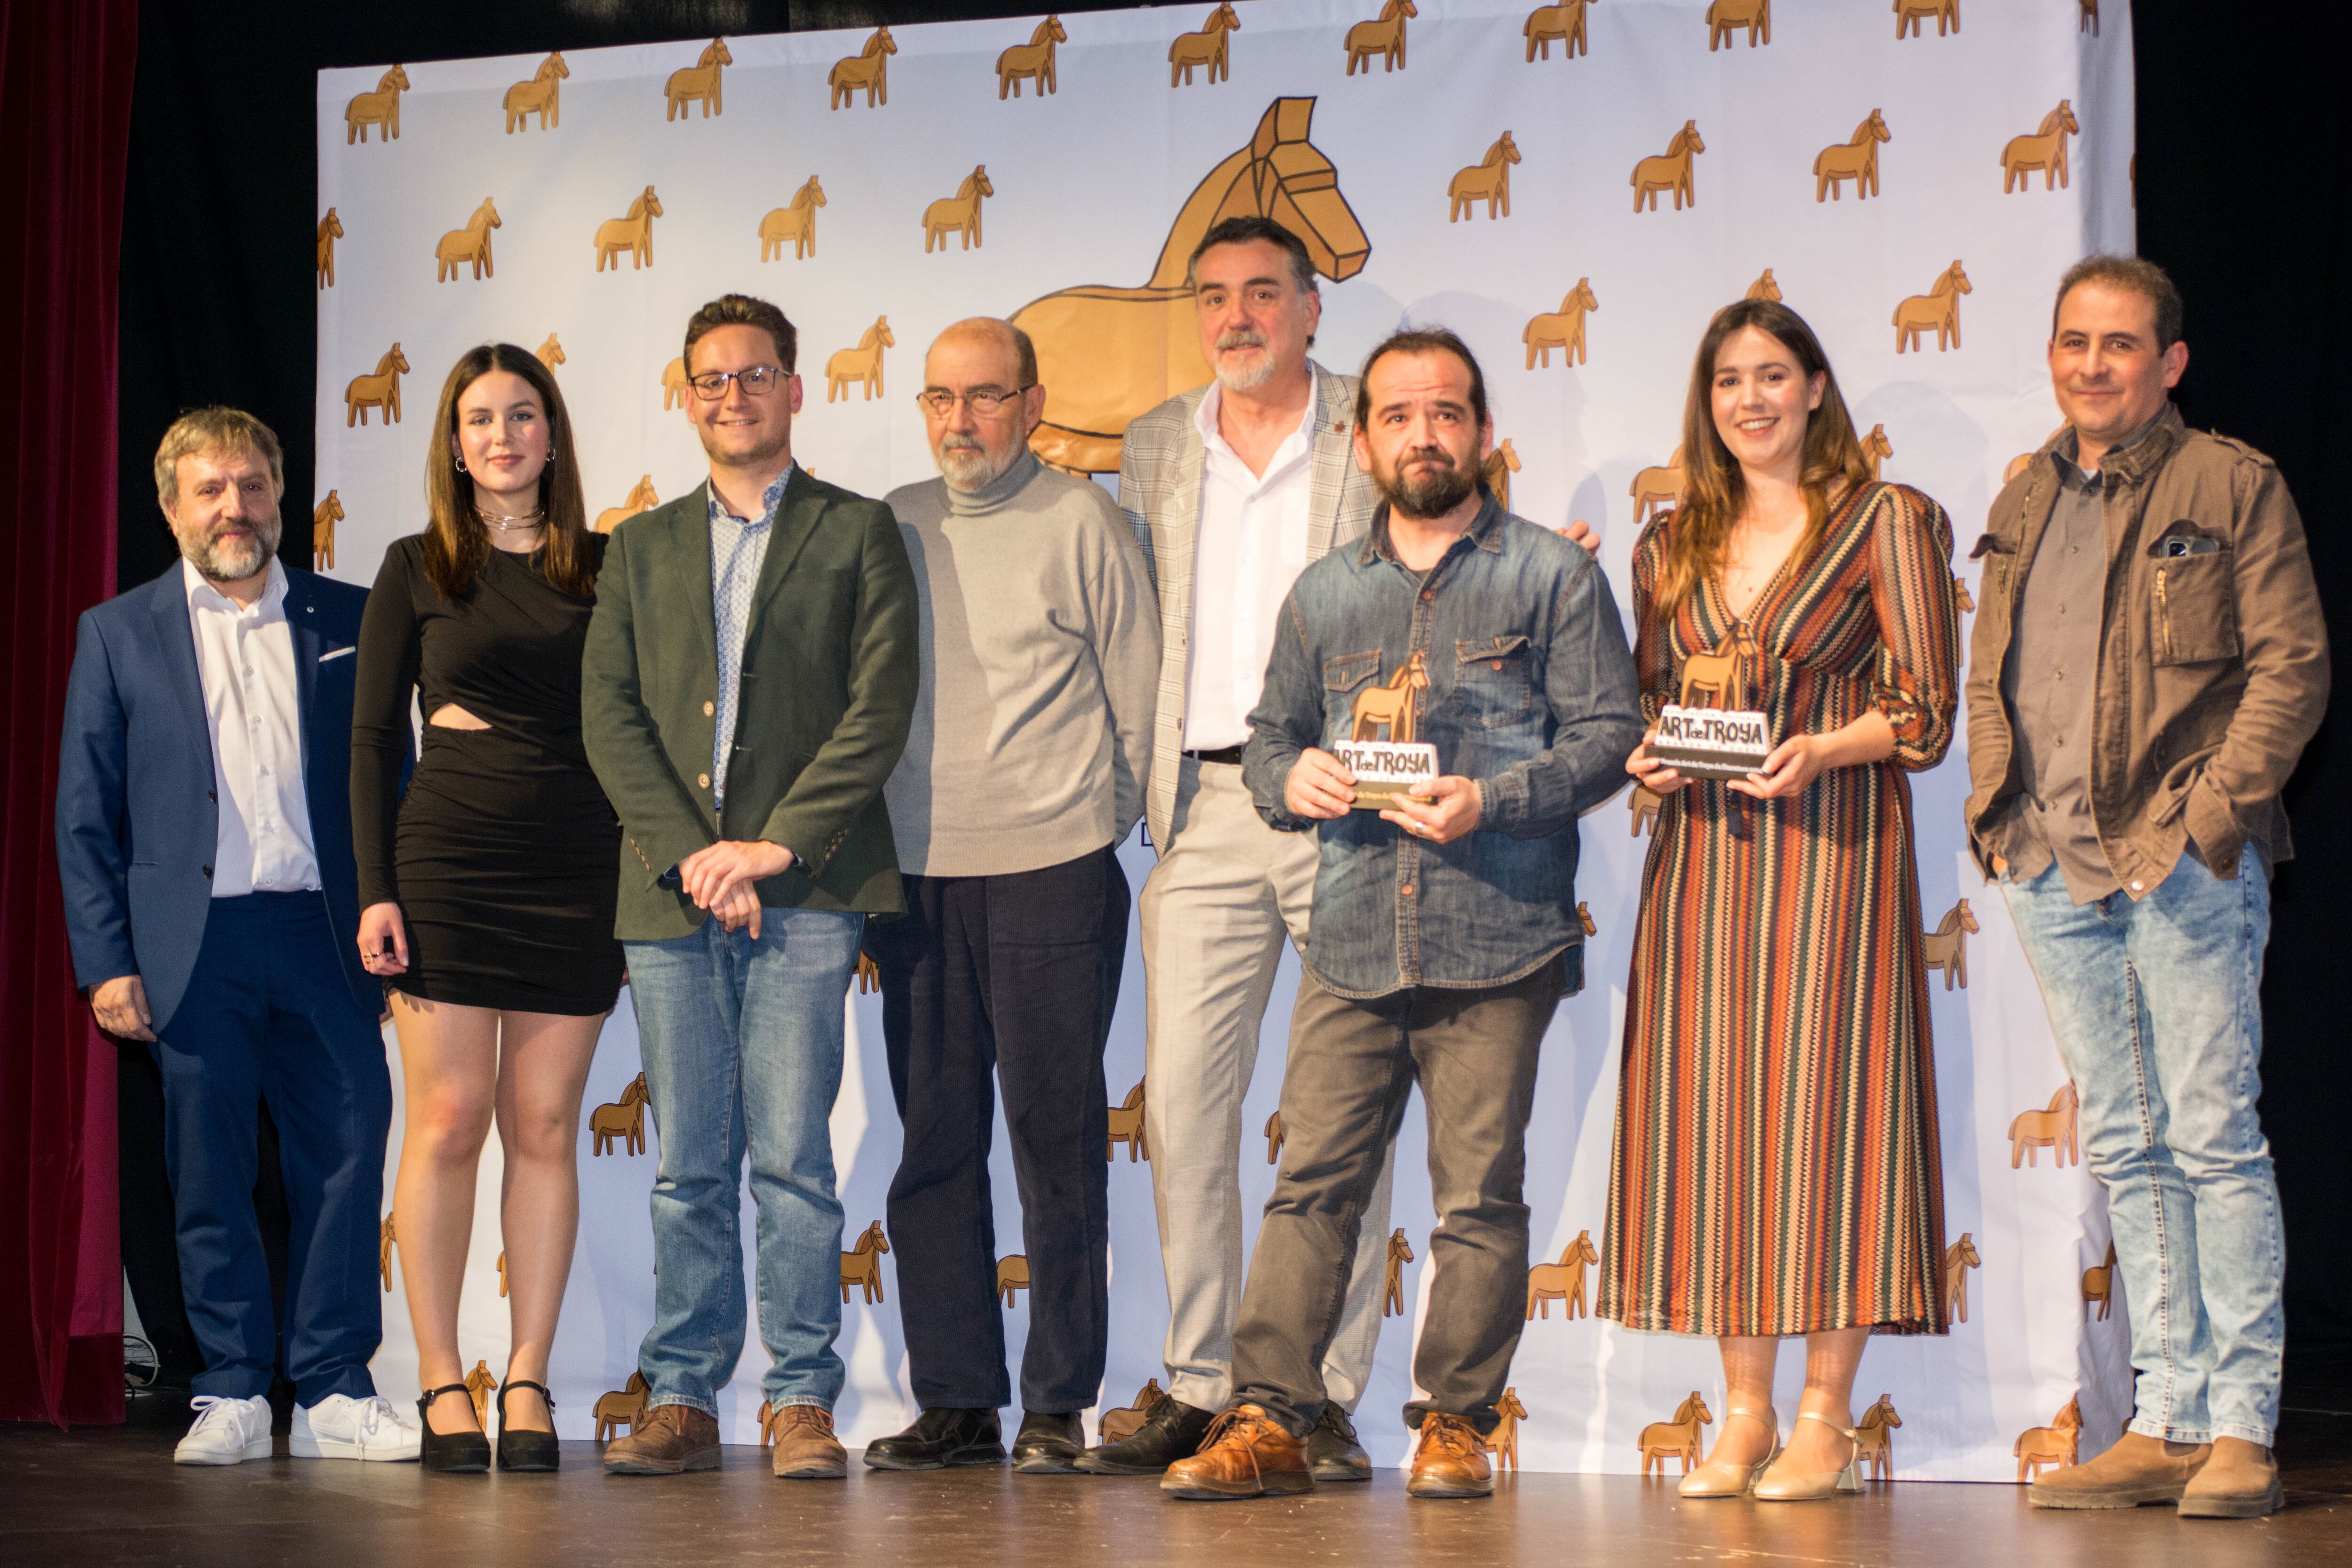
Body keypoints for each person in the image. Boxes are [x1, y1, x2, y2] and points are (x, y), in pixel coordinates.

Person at [1164, 328, 1642, 1501]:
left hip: (1502, 930)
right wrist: (1292, 780)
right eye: (1397, 414)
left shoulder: (1552, 575)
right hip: (1352, 930)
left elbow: (1610, 735)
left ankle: (1457, 1423)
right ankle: (1269, 1415)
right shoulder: (1324, 593)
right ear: (1363, 435)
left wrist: (1495, 796)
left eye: (1445, 413)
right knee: (1312, 1183)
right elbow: (1273, 737)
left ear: (1481, 430)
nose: (1422, 434)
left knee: (1478, 1193)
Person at [1969, 256, 2326, 1521]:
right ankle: (2166, 1418)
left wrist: (2209, 820)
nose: (2092, 364)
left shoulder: (2231, 482)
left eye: (2120, 344)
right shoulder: (2023, 491)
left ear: (2169, 362)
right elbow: (1990, 669)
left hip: (2180, 863)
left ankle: (2239, 1423)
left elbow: (2293, 669)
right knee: (2127, 1141)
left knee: (2215, 1137)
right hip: (2052, 867)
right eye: (2074, 341)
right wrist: (1996, 809)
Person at [1597, 299, 1961, 1503]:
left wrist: (1821, 745)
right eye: (1727, 381)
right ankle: (1741, 1412)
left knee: (1830, 1118)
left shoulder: (1888, 519)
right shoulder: (1667, 543)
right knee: (1714, 1125)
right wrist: (1646, 755)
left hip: (1834, 852)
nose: (1749, 399)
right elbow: (1656, 701)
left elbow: (1922, 710)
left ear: (1815, 385)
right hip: (1702, 864)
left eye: (1771, 375)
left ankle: (1825, 1413)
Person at [581, 294, 918, 1481]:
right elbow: (609, 716)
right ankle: (679, 1391)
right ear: (686, 397)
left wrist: (772, 848)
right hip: (669, 898)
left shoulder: (861, 530)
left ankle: (798, 1399)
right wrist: (692, 852)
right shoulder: (637, 545)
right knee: (687, 1164)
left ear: (795, 388)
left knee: (793, 1160)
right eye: (713, 379)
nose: (734, 395)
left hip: (809, 891)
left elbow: (879, 709)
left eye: (757, 374)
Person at [1081, 214, 1393, 1481]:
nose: (1237, 316)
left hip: (1347, 803)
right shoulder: (1158, 442)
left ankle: (1316, 1391)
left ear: (1312, 308)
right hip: (1204, 806)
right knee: (1186, 1112)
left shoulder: (1381, 421)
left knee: (1345, 1111)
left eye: (1264, 292)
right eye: (1215, 296)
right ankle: (1208, 1377)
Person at [56, 408, 419, 1465]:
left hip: (325, 936)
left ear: (279, 496)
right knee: (208, 1168)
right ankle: (229, 1387)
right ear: (171, 506)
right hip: (192, 946)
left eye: (254, 486)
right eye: (211, 489)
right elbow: (87, 812)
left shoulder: (350, 616)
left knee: (347, 1157)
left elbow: (395, 784)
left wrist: (398, 917)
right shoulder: (117, 632)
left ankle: (336, 1387)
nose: (236, 507)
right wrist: (106, 959)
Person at [860, 318, 1158, 1474]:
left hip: (1053, 867)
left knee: (1057, 1139)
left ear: (1031, 406)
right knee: (934, 1143)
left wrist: (1095, 819)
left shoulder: (1083, 520)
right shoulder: (888, 523)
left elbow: (1138, 693)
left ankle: (1055, 1401)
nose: (959, 422)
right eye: (939, 397)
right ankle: (958, 1400)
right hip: (917, 875)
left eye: (984, 398)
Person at [351, 344, 623, 1472]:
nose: (501, 435)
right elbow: (372, 738)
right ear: (453, 444)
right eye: (479, 418)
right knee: (451, 1119)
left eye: (522, 414)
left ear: (553, 436)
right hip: (450, 864)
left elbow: (638, 723)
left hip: (577, 867)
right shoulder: (415, 566)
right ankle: (435, 1381)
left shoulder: (611, 566)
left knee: (549, 1126)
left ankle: (526, 1378)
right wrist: (375, 887)